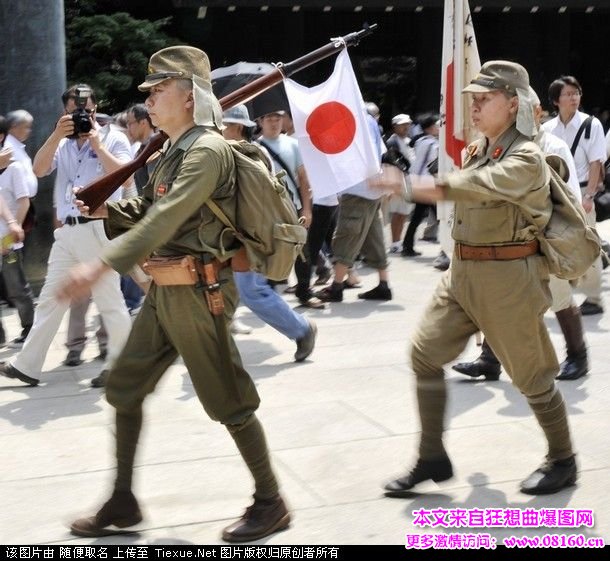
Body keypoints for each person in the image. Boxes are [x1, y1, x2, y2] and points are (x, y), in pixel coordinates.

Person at [57, 46, 290, 542]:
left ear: (189, 97)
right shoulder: (172, 149)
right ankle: (122, 500)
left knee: (228, 401)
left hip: (202, 291)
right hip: (166, 290)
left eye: (160, 89)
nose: (150, 98)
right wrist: (107, 210)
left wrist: (103, 262)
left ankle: (271, 501)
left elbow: (168, 215)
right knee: (124, 387)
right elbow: (149, 205)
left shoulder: (207, 150)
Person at [383, 61, 577, 497]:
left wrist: (419, 187)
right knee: (425, 354)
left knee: (533, 378)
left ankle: (563, 459)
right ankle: (432, 455)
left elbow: (485, 185)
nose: (473, 105)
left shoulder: (528, 156)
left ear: (512, 105)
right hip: (463, 273)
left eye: (484, 98)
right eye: (473, 97)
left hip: (509, 277)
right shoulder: (477, 149)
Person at [453, 88, 590, 382]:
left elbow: (570, 199)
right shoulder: (491, 145)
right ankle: (490, 360)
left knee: (560, 298)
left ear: (536, 112)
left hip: (543, 238)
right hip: (503, 238)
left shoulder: (551, 146)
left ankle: (578, 356)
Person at [0, 84, 132, 388]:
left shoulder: (114, 137)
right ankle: (27, 366)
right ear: (66, 112)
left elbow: (125, 177)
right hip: (68, 231)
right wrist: (57, 134)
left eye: (86, 109)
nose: (82, 116)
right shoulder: (63, 143)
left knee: (108, 299)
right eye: (75, 111)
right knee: (50, 299)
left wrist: (98, 146)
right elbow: (39, 168)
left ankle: (122, 367)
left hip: (99, 227)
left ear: (96, 108)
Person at [222, 104, 317, 361]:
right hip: (232, 233)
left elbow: (256, 201)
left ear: (238, 127)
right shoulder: (236, 152)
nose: (220, 130)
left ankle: (302, 329)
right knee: (221, 288)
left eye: (224, 125)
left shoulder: (251, 154)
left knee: (252, 291)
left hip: (250, 233)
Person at [541, 75, 607, 316]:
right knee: (553, 244)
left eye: (576, 93)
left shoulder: (592, 125)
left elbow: (595, 163)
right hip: (555, 194)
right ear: (556, 100)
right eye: (567, 94)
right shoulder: (547, 129)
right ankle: (559, 295)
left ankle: (593, 298)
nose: (573, 98)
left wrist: (589, 196)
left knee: (588, 246)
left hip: (581, 193)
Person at [0, 116, 35, 347]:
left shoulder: (13, 168)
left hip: (7, 239)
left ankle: (30, 328)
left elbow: (24, 202)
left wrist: (12, 233)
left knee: (16, 288)